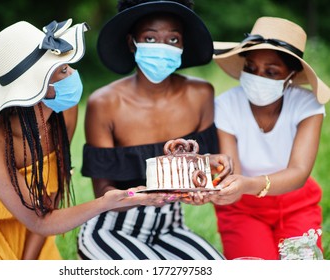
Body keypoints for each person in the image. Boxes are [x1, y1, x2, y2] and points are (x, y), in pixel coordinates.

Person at [0, 18, 168, 260]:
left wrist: (29, 261)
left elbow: (51, 194)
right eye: (63, 70)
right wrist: (105, 203)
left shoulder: (64, 110)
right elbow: (40, 221)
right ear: (35, 88)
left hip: (33, 222)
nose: (73, 73)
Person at [77, 0, 232, 260]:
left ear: (183, 46)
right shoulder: (104, 104)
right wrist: (138, 196)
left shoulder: (201, 94)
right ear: (131, 43)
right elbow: (103, 191)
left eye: (173, 39)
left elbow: (204, 171)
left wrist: (214, 171)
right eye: (150, 38)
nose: (162, 48)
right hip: (112, 228)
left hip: (171, 228)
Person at [211, 16, 330, 260]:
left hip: (297, 204)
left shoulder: (308, 105)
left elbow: (298, 172)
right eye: (251, 68)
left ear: (291, 74)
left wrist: (247, 183)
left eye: (271, 71)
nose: (258, 77)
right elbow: (231, 168)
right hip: (242, 207)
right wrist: (226, 185)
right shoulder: (225, 104)